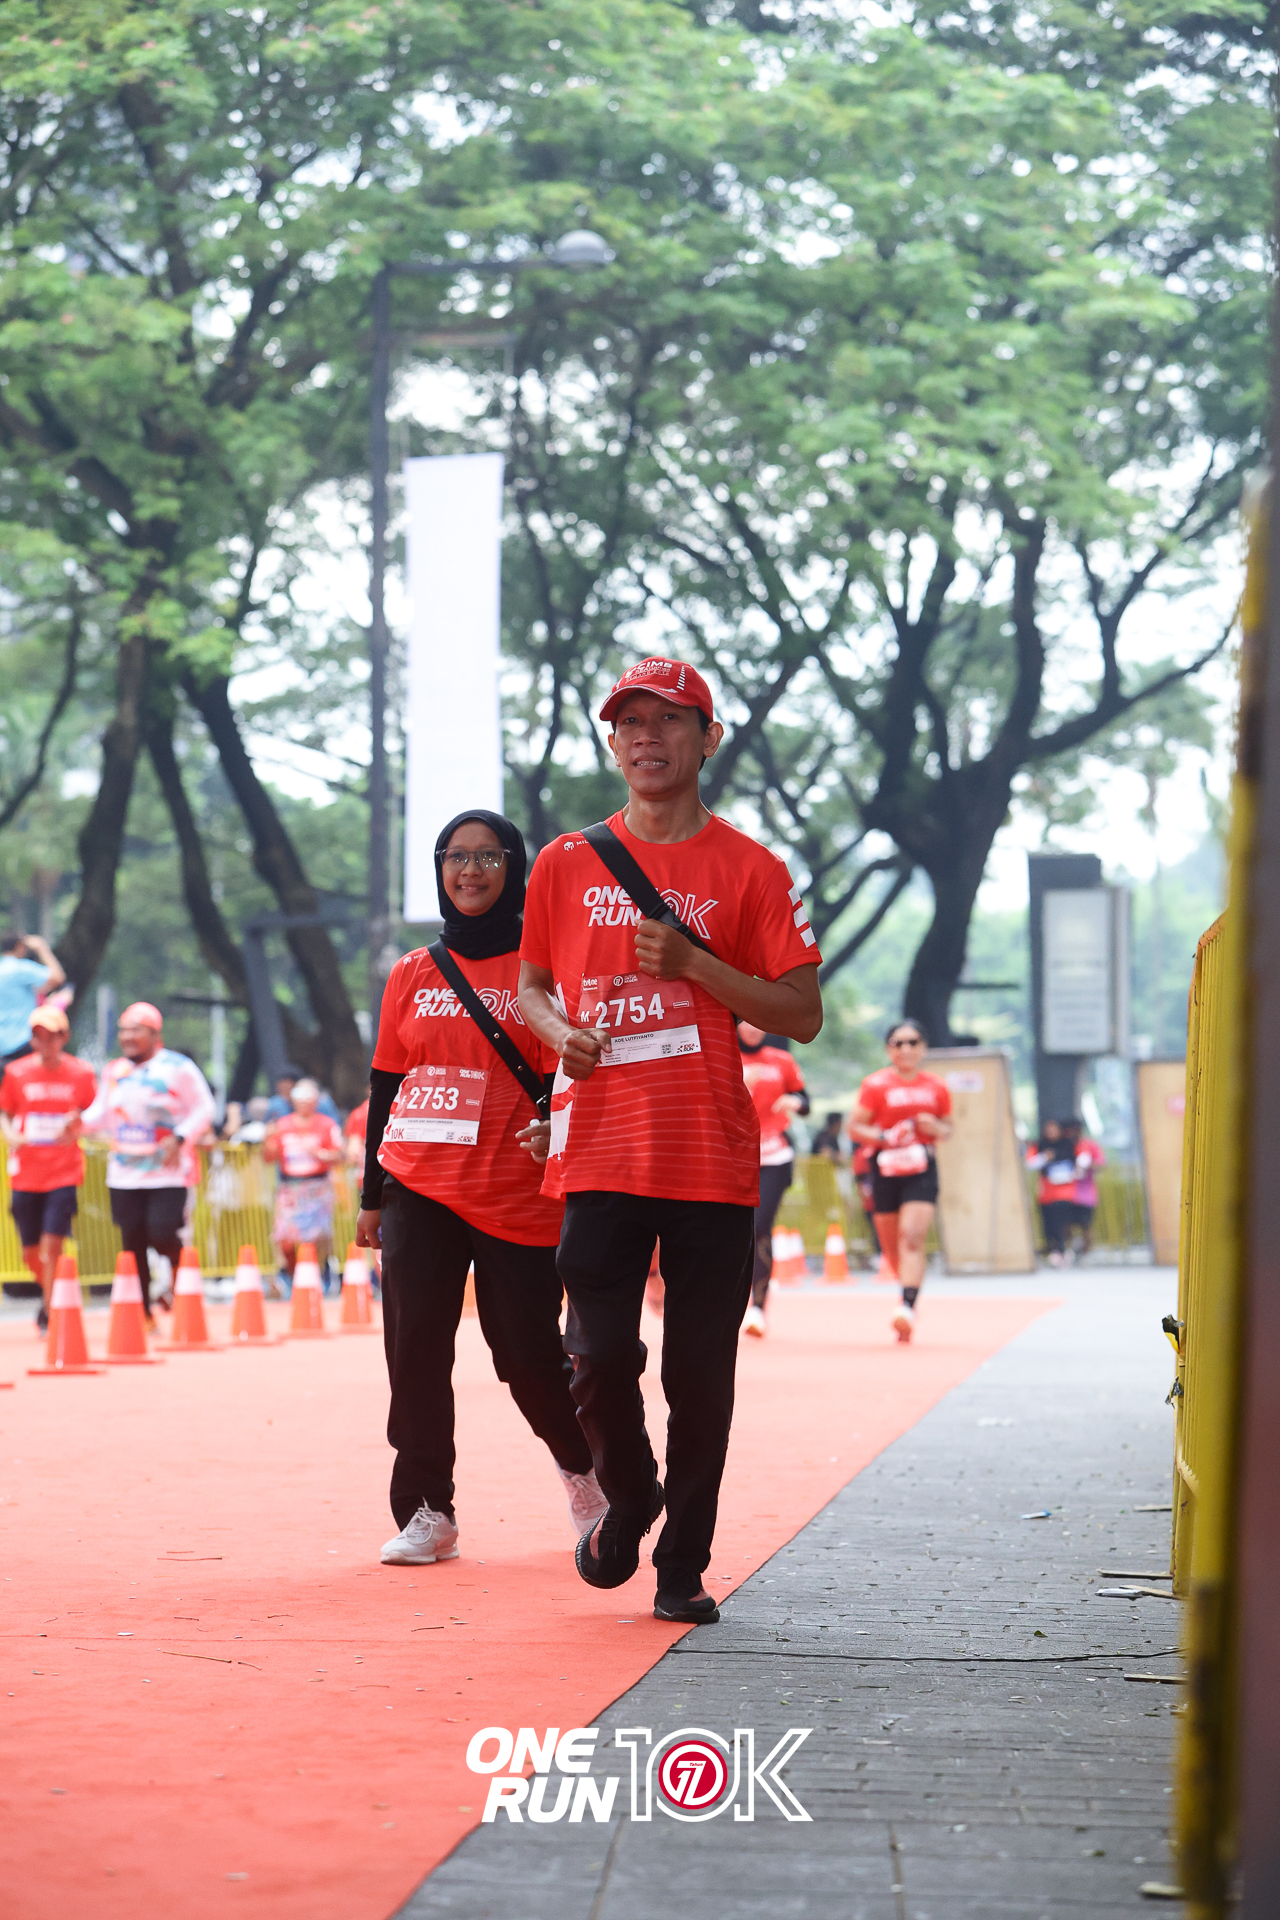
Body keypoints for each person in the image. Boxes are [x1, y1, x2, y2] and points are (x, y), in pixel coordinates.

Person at [518, 655, 823, 1626]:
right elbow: (530, 987)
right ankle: (631, 1494)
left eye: (669, 720)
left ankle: (681, 1565)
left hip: (711, 1159)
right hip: (600, 1150)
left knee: (700, 1379)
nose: (646, 738)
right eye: (629, 723)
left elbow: (801, 1013)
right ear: (613, 743)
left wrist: (696, 964)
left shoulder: (750, 868)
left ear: (708, 737)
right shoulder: (565, 862)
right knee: (597, 1355)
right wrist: (558, 1033)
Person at [356, 809, 606, 1570]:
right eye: (456, 857)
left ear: (514, 868)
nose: (470, 871)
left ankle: (585, 1477)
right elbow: (386, 1084)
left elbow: (576, 1074)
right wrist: (371, 1196)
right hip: (418, 1183)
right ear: (439, 869)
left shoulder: (544, 966)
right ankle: (427, 1510)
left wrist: (560, 1134)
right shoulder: (413, 970)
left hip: (515, 1191)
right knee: (415, 1352)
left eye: (488, 857)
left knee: (528, 1356)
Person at [82, 1003, 216, 1326]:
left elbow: (204, 1108)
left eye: (136, 1030)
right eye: (123, 1030)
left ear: (155, 1034)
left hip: (167, 1172)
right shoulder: (114, 1070)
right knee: (133, 1242)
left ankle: (183, 1278)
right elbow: (101, 1112)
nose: (127, 1037)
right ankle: (143, 1315)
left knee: (162, 1232)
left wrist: (180, 1137)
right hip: (124, 1173)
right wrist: (77, 1123)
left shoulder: (178, 1067)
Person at [846, 1019, 952, 1344]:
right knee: (893, 1248)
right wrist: (883, 1137)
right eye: (898, 1043)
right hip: (885, 1168)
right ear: (888, 1049)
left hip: (921, 1168)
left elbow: (948, 1129)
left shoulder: (936, 1087)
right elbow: (854, 1127)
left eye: (913, 1042)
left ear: (924, 1048)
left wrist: (935, 1127)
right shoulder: (875, 1085)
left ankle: (907, 1306)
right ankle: (906, 1289)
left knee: (913, 1238)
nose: (906, 1049)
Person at [0, 1005, 97, 1331]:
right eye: (38, 1036)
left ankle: (52, 1310)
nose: (45, 1043)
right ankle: (53, 1293)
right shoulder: (16, 1072)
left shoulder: (82, 1073)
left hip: (64, 1171)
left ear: (64, 1037)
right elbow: (6, 1112)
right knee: (30, 1252)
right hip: (26, 1173)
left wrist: (77, 1124)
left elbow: (95, 1114)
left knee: (52, 1245)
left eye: (51, 1036)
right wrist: (10, 1133)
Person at [739, 1023, 809, 1338]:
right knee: (731, 1230)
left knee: (759, 1227)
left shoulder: (781, 1059)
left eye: (759, 1022)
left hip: (774, 1155)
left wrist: (796, 1102)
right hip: (733, 1153)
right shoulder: (722, 1053)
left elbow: (804, 1100)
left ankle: (757, 1307)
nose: (753, 1028)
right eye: (746, 1021)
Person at [263, 1078, 343, 1286]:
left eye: (309, 1097)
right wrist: (267, 1139)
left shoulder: (327, 1125)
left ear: (316, 1100)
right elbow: (269, 1157)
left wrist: (319, 1154)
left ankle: (319, 1277)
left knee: (318, 1238)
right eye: (300, 1097)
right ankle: (292, 1276)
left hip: (317, 1186)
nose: (304, 1102)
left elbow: (340, 1155)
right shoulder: (283, 1125)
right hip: (290, 1188)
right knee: (285, 1238)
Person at [1027, 1118, 1104, 1264]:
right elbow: (1030, 1163)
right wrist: (1045, 1157)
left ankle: (1066, 1250)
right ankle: (1055, 1249)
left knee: (1068, 1223)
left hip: (1066, 1193)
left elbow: (1084, 1159)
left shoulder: (1070, 1145)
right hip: (1047, 1193)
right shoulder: (1040, 1145)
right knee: (1050, 1224)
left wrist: (1078, 1169)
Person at [0, 934, 65, 1066]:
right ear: (19, 946)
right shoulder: (20, 968)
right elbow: (58, 977)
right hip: (21, 1042)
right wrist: (42, 948)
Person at [265, 1065, 341, 1125]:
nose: (284, 1088)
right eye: (281, 1085)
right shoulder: (276, 1104)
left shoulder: (322, 1102)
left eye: (288, 1085)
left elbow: (335, 1125)